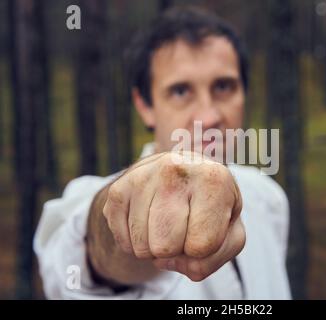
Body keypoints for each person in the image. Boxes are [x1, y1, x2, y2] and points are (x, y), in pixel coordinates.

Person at [33, 6, 291, 299]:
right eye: (180, 91)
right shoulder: (89, 200)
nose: (208, 117)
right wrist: (129, 214)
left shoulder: (269, 198)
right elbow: (84, 254)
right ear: (145, 105)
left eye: (223, 86)